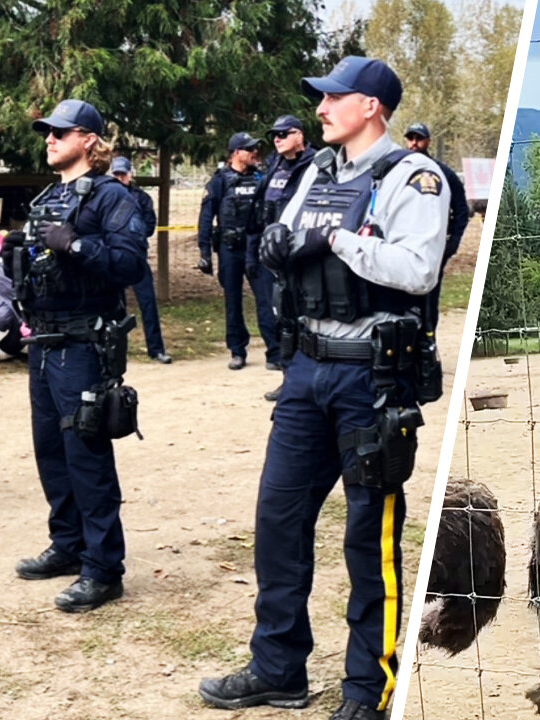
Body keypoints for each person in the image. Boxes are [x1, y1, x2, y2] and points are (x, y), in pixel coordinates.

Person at [198, 56, 449, 720]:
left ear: (371, 106)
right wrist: (280, 243)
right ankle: (277, 667)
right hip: (307, 369)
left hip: (371, 376)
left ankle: (369, 689)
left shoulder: (413, 177)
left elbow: (417, 270)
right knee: (278, 519)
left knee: (369, 534)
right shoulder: (317, 170)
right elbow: (287, 233)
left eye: (334, 97)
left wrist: (336, 240)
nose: (320, 108)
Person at [5, 99, 146, 612]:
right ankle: (67, 544)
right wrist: (17, 253)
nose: (49, 139)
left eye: (60, 132)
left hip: (85, 344)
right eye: (47, 131)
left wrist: (76, 246)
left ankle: (103, 568)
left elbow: (130, 263)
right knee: (51, 451)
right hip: (44, 341)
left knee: (86, 456)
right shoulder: (50, 194)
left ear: (89, 140)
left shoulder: (111, 196)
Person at [256, 114, 318, 402]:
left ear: (299, 136)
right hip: (274, 256)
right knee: (283, 320)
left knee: (307, 320)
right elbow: (261, 210)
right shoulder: (275, 167)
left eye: (283, 134)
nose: (277, 139)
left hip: (302, 255)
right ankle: (289, 380)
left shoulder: (317, 165)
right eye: (274, 135)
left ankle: (311, 382)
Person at [197, 132, 263, 370]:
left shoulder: (260, 178)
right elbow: (206, 217)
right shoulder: (219, 181)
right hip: (230, 248)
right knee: (233, 301)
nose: (255, 152)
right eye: (249, 149)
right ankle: (237, 350)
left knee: (266, 298)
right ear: (236, 153)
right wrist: (204, 252)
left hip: (255, 248)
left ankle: (275, 351)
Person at [403, 122, 469, 330]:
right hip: (402, 245)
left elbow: (462, 211)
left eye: (419, 138)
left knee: (429, 299)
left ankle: (428, 339)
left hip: (433, 247)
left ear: (428, 141)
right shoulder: (398, 171)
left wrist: (453, 243)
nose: (414, 143)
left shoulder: (444, 174)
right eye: (411, 138)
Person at [112, 155, 171, 364]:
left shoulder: (142, 198)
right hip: (113, 259)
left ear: (130, 175)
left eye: (123, 174)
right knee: (114, 306)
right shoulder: (106, 196)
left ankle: (156, 349)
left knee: (148, 303)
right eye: (116, 174)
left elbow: (149, 226)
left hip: (136, 258)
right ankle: (116, 351)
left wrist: (130, 237)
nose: (120, 178)